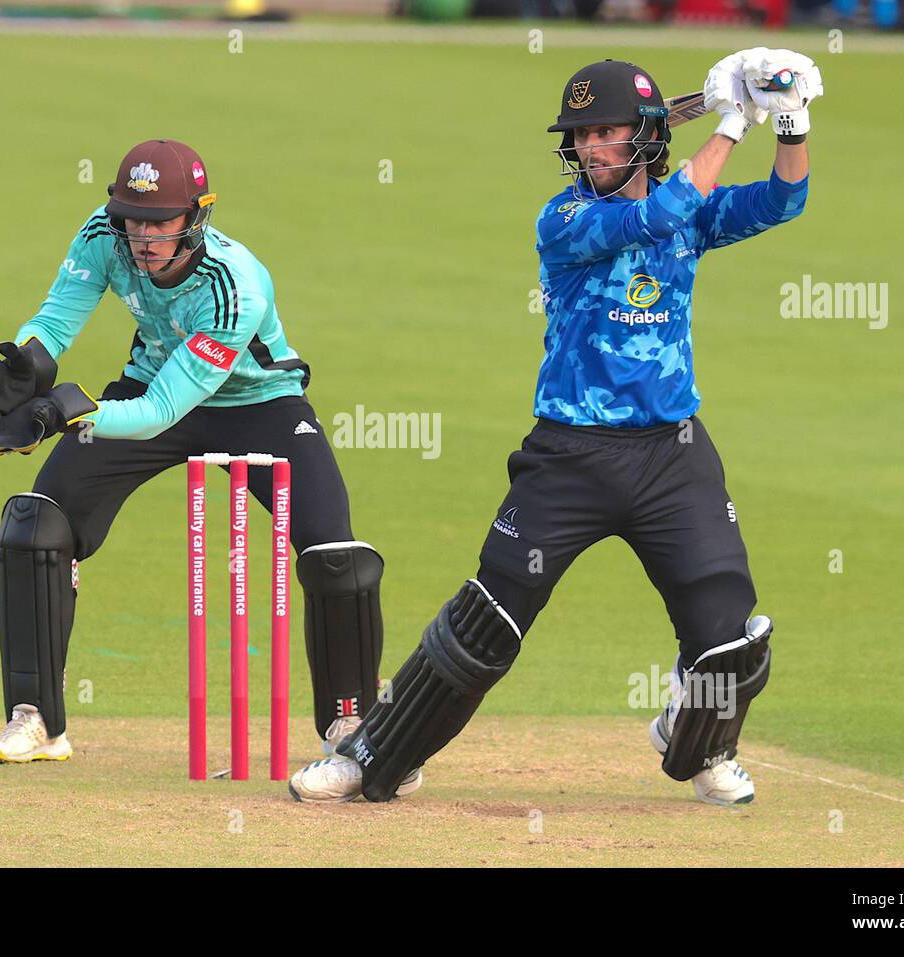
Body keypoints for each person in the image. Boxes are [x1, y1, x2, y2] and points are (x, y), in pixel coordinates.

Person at [289, 50, 821, 805]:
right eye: (579, 136)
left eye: (605, 132)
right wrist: (734, 118)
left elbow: (781, 201)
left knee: (730, 638)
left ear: (642, 137)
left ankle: (699, 740)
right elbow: (654, 215)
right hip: (569, 455)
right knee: (488, 625)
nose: (588, 149)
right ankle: (377, 753)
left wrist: (791, 118)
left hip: (672, 456)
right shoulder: (566, 218)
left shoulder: (690, 207)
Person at [0, 139, 403, 786]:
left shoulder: (236, 285)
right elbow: (56, 322)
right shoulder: (103, 234)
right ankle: (36, 719)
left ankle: (352, 725)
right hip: (149, 383)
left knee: (336, 554)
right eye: (132, 219)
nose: (142, 237)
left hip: (259, 403)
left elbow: (164, 411)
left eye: (160, 222)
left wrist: (68, 412)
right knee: (36, 525)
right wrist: (22, 368)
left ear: (195, 218)